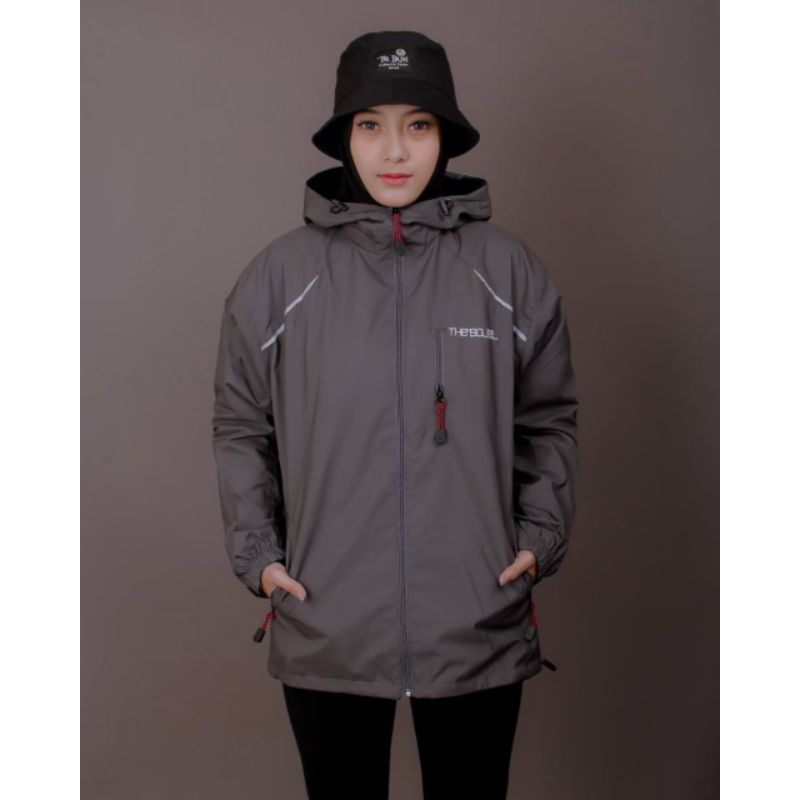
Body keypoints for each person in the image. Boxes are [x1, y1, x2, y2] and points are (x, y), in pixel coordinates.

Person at [211, 30, 580, 800]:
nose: (394, 150)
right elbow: (242, 426)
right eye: (370, 125)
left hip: (477, 619)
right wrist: (260, 556)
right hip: (326, 622)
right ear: (344, 138)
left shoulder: (508, 272)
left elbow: (549, 419)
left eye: (418, 124)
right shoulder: (279, 278)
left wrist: (538, 537)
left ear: (445, 137)